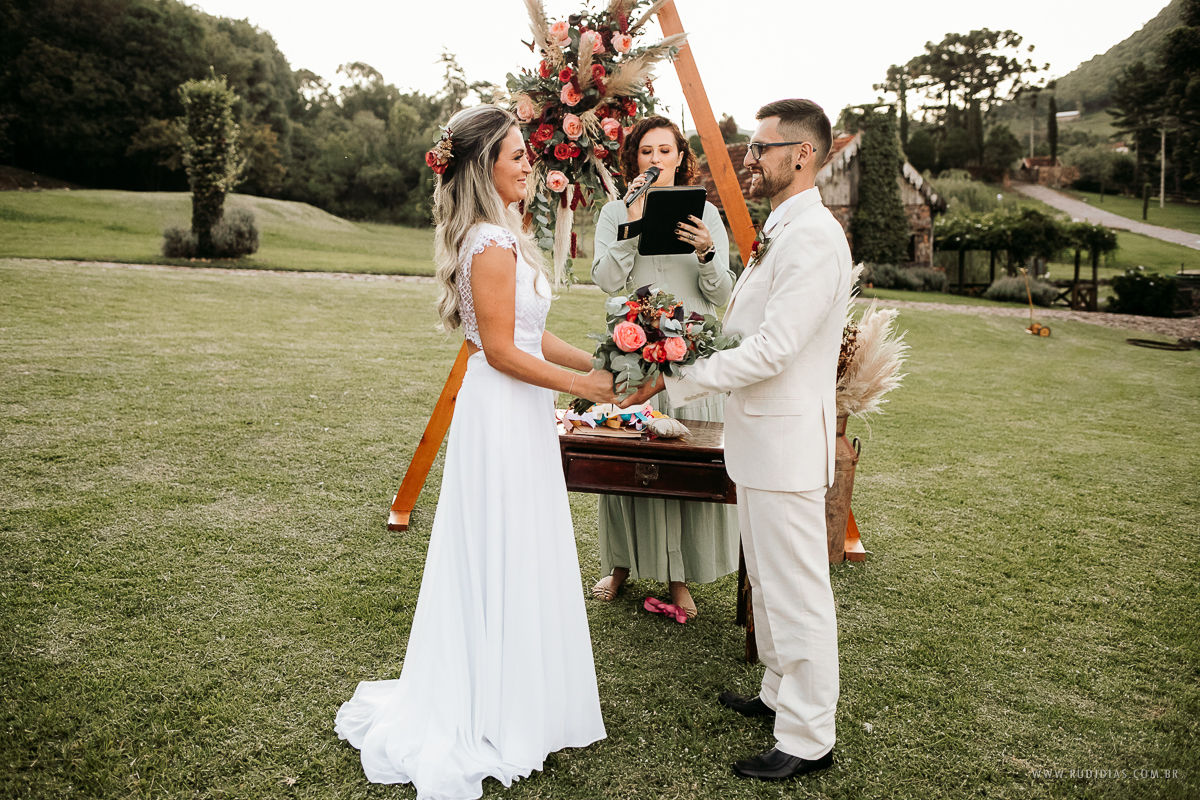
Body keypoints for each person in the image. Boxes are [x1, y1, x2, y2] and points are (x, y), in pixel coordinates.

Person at [335, 104, 615, 799]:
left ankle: (523, 691)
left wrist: (608, 363)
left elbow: (534, 332)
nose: (531, 164)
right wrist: (585, 386)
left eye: (528, 153)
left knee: (523, 542)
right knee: (500, 541)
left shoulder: (509, 235)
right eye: (518, 155)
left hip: (518, 410)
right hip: (499, 412)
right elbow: (498, 349)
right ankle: (491, 703)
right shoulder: (489, 244)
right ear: (485, 166)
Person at [620, 99, 852, 780]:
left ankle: (809, 738)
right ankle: (779, 692)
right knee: (774, 590)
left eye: (762, 147)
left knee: (797, 591)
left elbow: (774, 349)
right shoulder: (784, 227)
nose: (749, 158)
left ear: (803, 154)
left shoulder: (813, 238)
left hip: (783, 447)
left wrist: (675, 378)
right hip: (759, 443)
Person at [589, 115, 739, 619]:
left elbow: (722, 293)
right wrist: (631, 222)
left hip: (691, 359)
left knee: (680, 468)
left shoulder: (707, 214)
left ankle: (678, 579)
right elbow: (608, 281)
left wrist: (706, 252)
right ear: (634, 160)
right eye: (646, 152)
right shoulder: (614, 211)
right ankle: (619, 566)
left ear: (680, 158)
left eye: (665, 151)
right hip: (633, 356)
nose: (655, 160)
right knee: (627, 466)